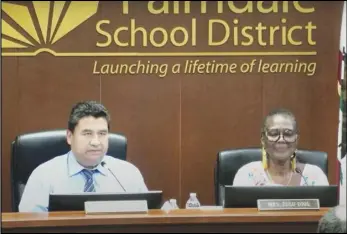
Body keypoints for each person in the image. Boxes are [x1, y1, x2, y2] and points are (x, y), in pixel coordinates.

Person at [19, 101, 148, 212]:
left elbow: (146, 221)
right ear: (70, 137)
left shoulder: (129, 175)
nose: (96, 142)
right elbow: (29, 226)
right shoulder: (44, 176)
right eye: (87, 133)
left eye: (102, 134)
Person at [233, 108, 329, 186]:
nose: (281, 140)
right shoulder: (247, 175)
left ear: (296, 139)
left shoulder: (314, 176)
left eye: (288, 134)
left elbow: (328, 209)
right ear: (263, 139)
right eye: (274, 133)